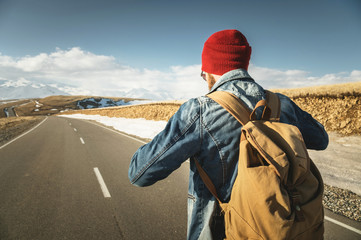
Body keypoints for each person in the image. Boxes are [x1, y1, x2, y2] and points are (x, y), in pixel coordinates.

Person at [128, 29, 329, 240]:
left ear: (211, 68)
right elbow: (321, 139)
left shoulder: (199, 110)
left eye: (203, 70)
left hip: (220, 231)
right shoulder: (282, 103)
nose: (203, 76)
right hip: (280, 225)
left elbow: (139, 174)